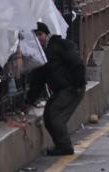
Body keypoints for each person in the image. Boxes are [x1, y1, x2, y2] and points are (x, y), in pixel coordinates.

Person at [26, 22, 86, 156]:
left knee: (54, 116)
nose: (39, 38)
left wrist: (78, 84)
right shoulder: (42, 55)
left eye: (40, 34)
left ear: (46, 34)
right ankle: (61, 145)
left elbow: (77, 63)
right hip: (62, 89)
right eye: (35, 36)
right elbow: (39, 80)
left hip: (71, 88)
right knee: (48, 115)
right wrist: (30, 100)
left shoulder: (58, 46)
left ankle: (65, 147)